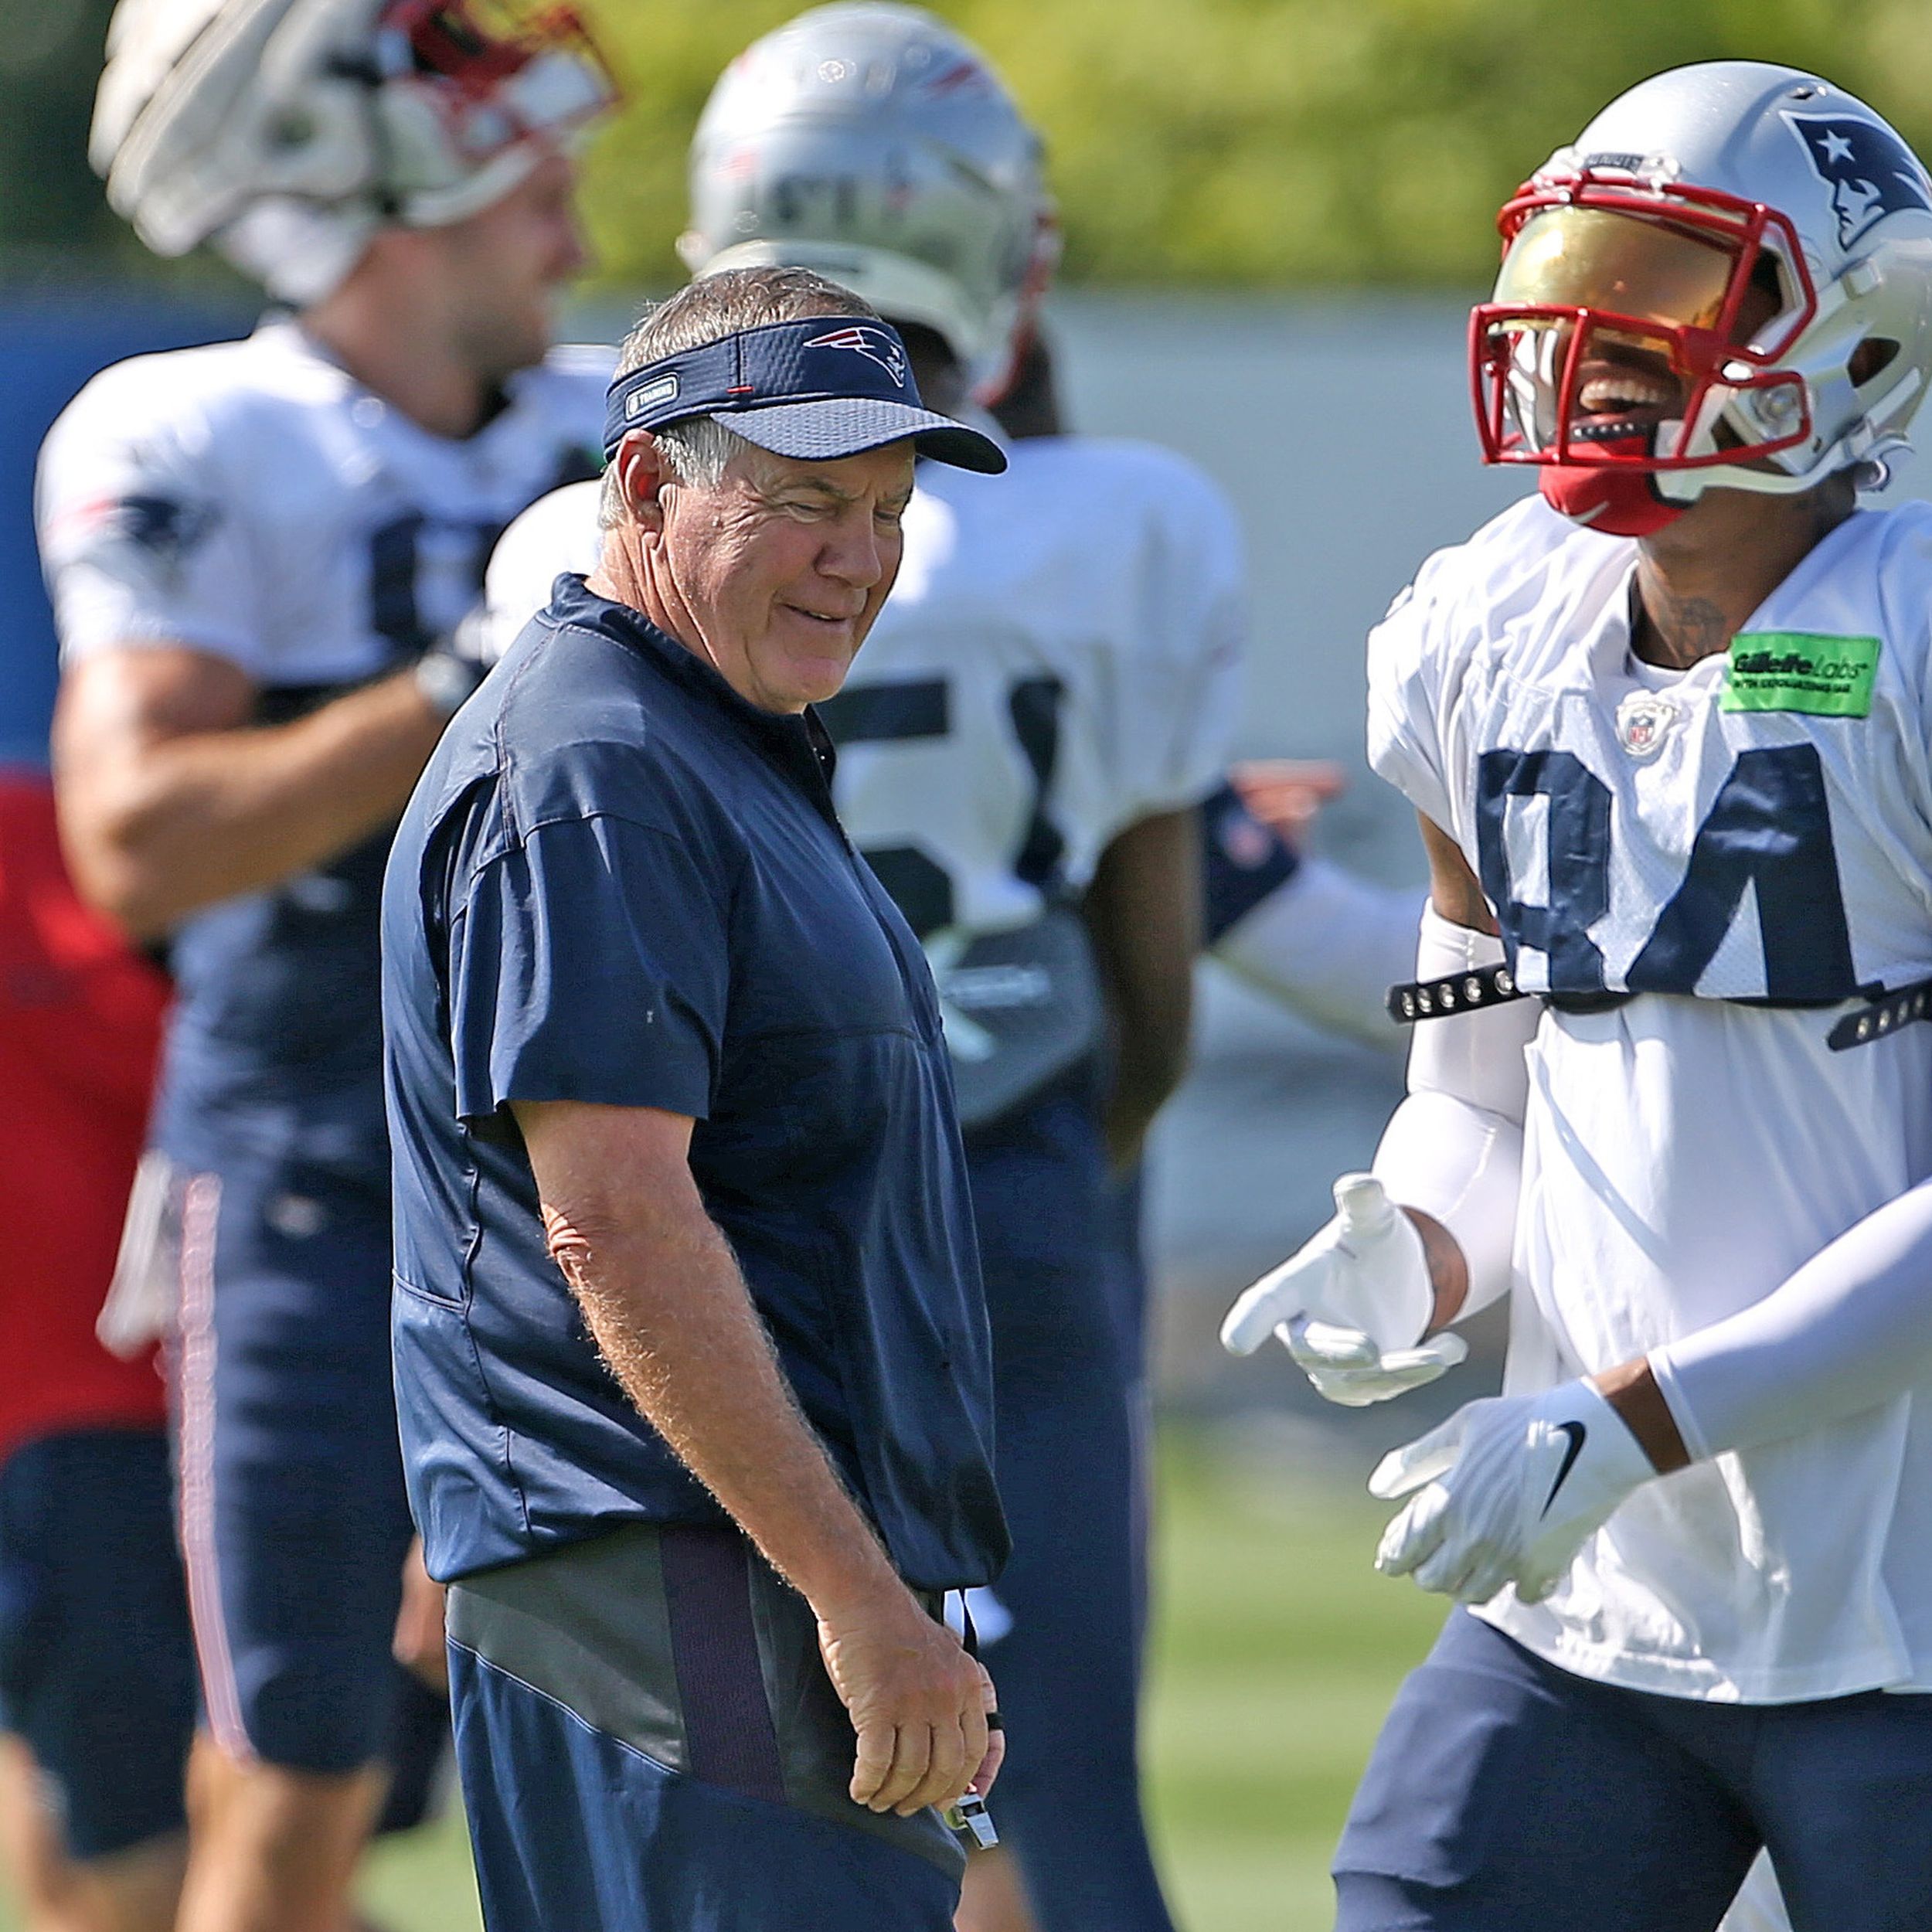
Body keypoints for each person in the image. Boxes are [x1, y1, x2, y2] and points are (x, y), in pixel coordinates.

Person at [477, 12, 1253, 1923]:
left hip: (703, 1197)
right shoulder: (1129, 518)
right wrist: (1078, 1143)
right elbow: (1147, 963)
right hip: (997, 1166)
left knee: (774, 1796)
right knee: (1045, 1789)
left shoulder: (563, 544)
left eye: (876, 518)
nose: (857, 552)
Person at [1223, 61, 1932, 1930]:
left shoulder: (1918, 634)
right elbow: (1478, 1087)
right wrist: (1420, 1246)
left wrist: (1626, 1417)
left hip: (1905, 1600)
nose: (1590, 334)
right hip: (1599, 1602)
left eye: (1668, 281)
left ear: (1858, 330)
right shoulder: (1489, 628)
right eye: (1567, 268)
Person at [36, 4, 614, 1927]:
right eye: (465, 85)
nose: (564, 206)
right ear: (359, 155)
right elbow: (138, 842)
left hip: (614, 1151)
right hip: (313, 1151)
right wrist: (468, 681)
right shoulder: (204, 432)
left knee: (688, 1723)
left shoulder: (621, 424)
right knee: (298, 1765)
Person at [380, 264, 1009, 1931]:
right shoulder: (598, 766)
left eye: (884, 509)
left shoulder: (696, 738)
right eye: (805, 502)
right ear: (650, 484)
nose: (858, 558)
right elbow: (615, 1220)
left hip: (733, 1576)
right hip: (687, 1589)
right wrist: (857, 1594)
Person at [0, 764, 186, 1932]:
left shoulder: (56, 833)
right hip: (44, 1433)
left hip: (113, 1418)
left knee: (147, 1873)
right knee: (79, 1877)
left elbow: (188, 1072)